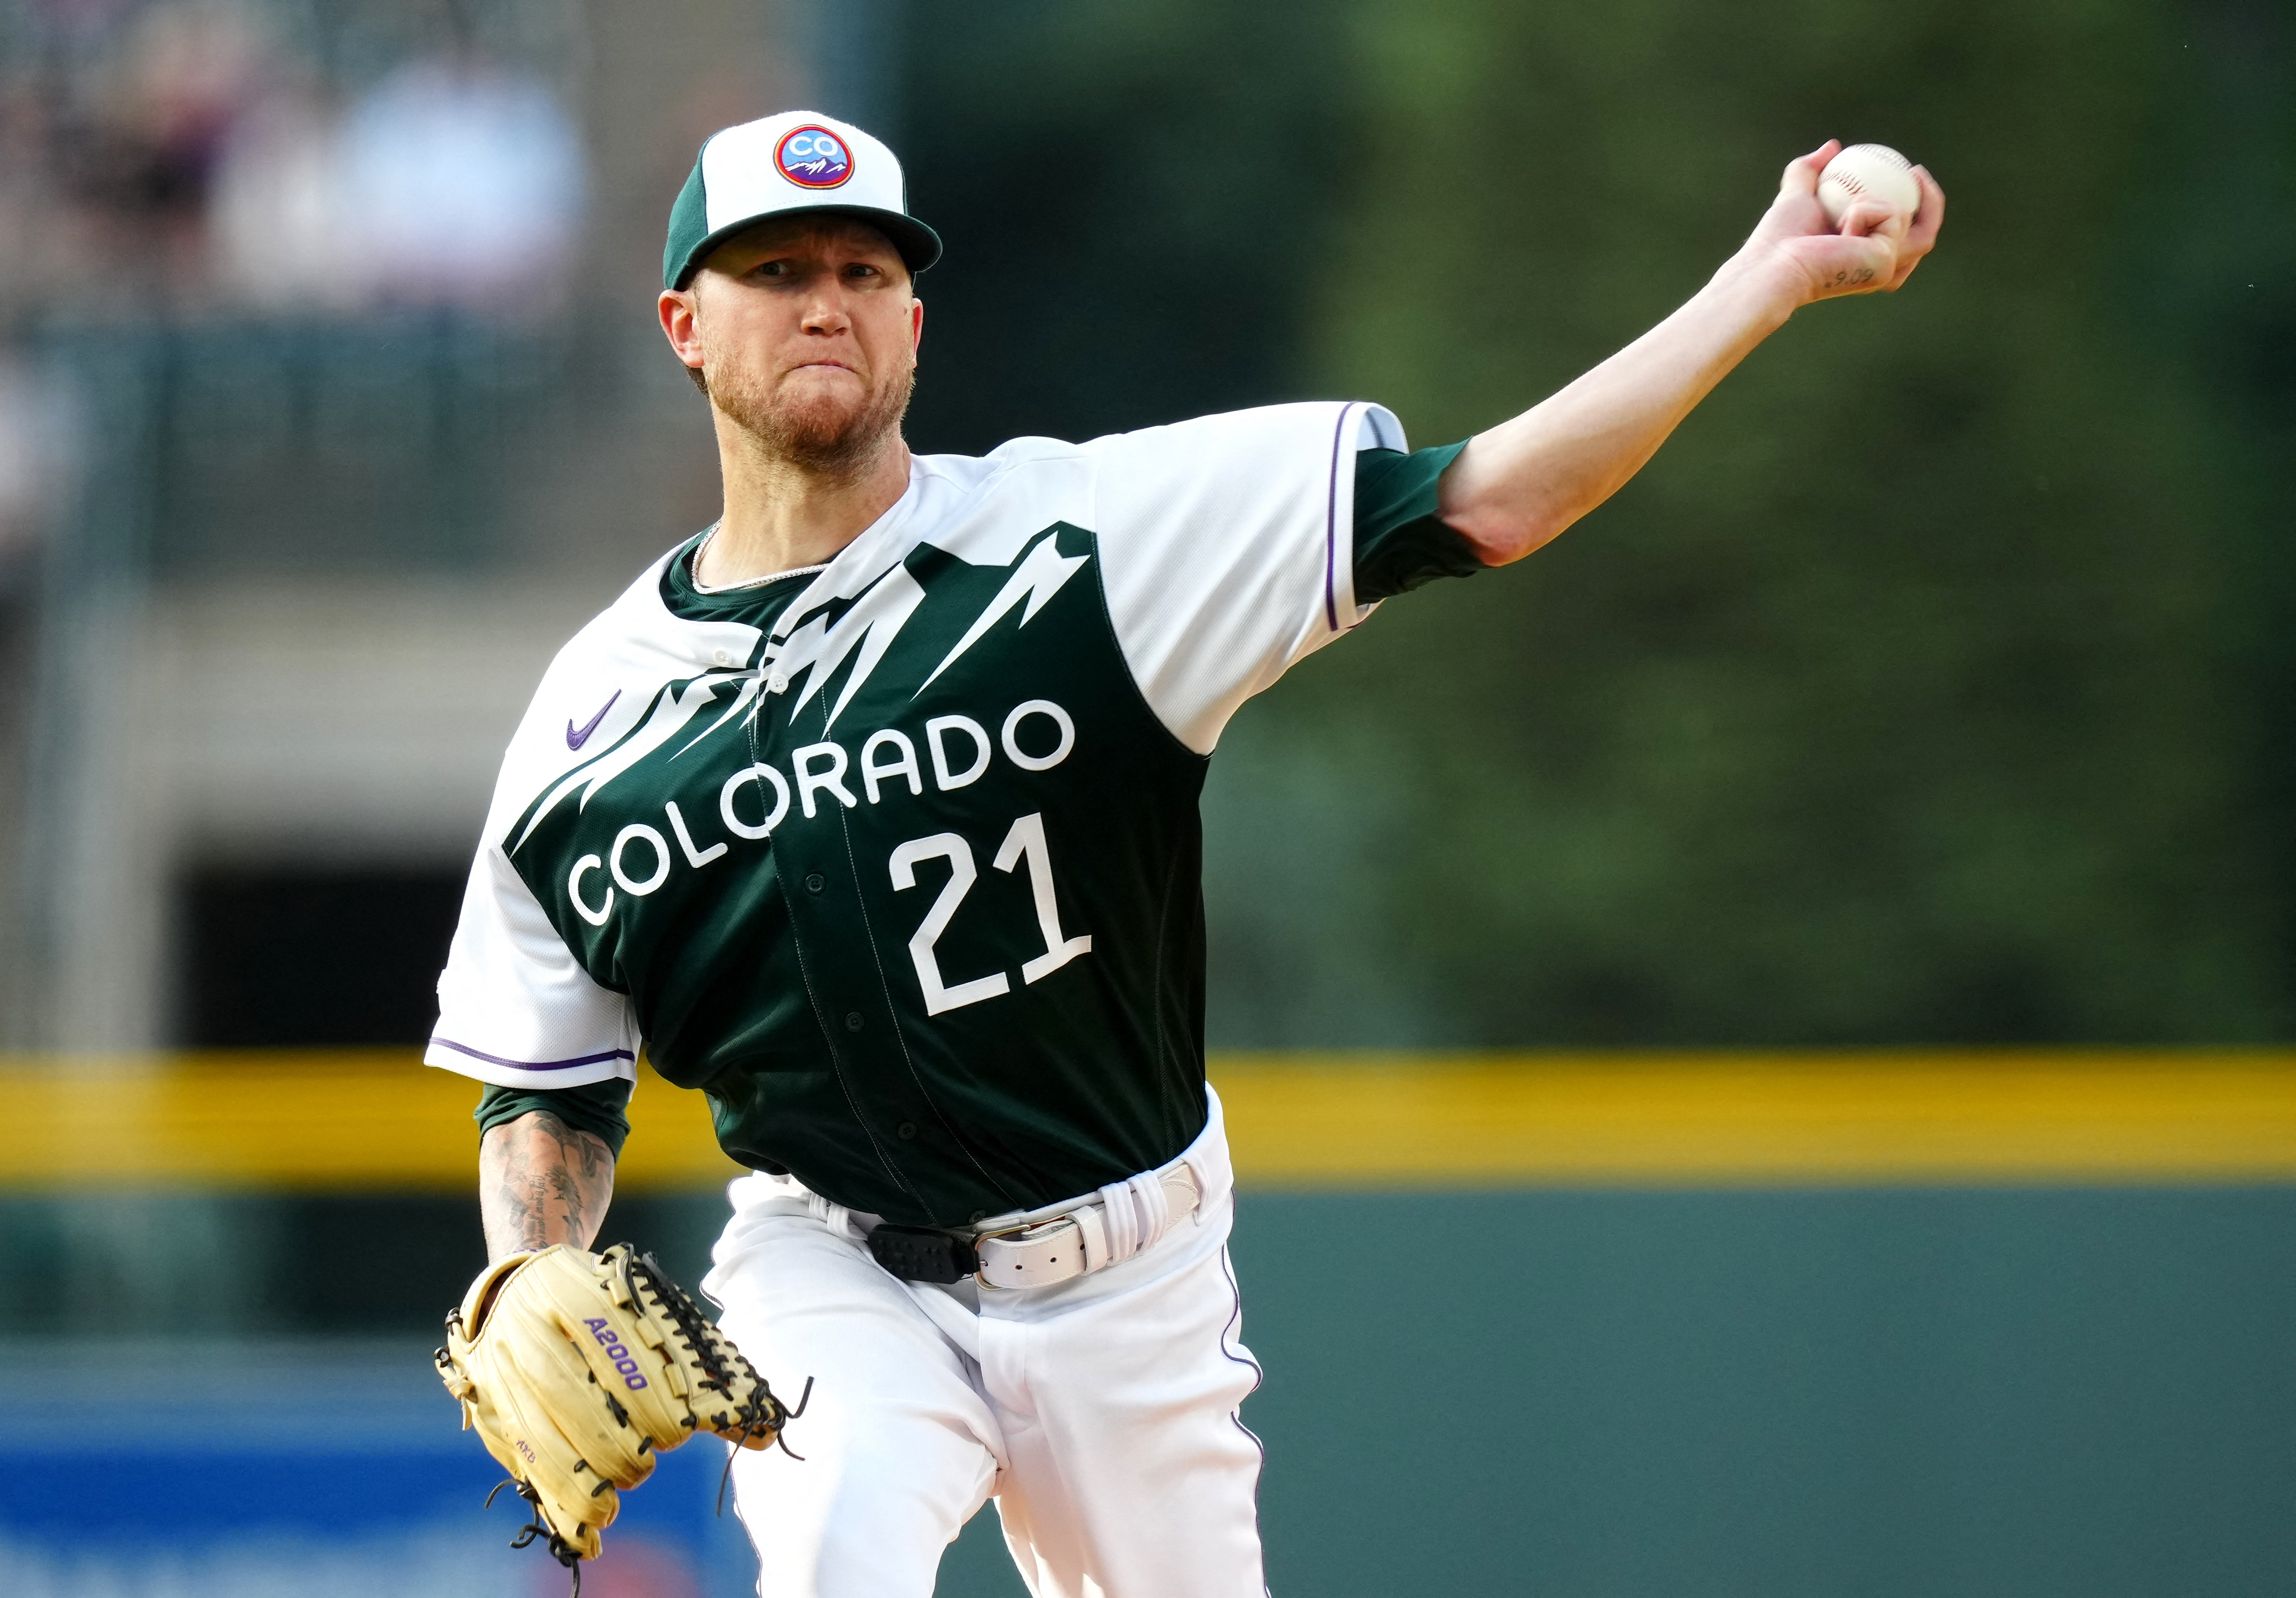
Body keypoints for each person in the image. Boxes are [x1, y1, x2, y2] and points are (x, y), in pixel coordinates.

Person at [428, 109, 1943, 1598]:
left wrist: (1768, 278)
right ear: (688, 324)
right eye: (774, 270)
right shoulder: (593, 727)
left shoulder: (1089, 543)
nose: (825, 301)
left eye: (864, 270)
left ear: (914, 324)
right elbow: (546, 1086)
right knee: (835, 1556)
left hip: (1126, 1274)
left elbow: (1495, 498)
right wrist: (528, 1265)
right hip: (832, 1267)